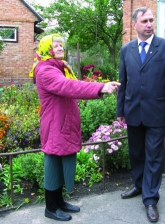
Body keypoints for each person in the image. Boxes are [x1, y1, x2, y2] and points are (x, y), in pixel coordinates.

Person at [29, 34, 120, 221]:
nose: (61, 48)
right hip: (55, 125)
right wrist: (99, 87)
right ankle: (50, 208)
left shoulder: (58, 67)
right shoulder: (45, 70)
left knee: (60, 165)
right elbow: (67, 86)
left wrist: (98, 86)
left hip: (62, 123)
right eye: (56, 45)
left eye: (61, 45)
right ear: (47, 48)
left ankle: (60, 202)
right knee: (53, 165)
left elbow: (72, 85)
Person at [116, 7, 165, 222]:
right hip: (132, 111)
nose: (149, 24)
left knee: (153, 156)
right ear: (134, 24)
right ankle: (139, 185)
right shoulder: (126, 50)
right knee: (136, 154)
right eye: (144, 21)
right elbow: (123, 82)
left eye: (152, 20)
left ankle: (151, 199)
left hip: (157, 113)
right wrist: (120, 111)